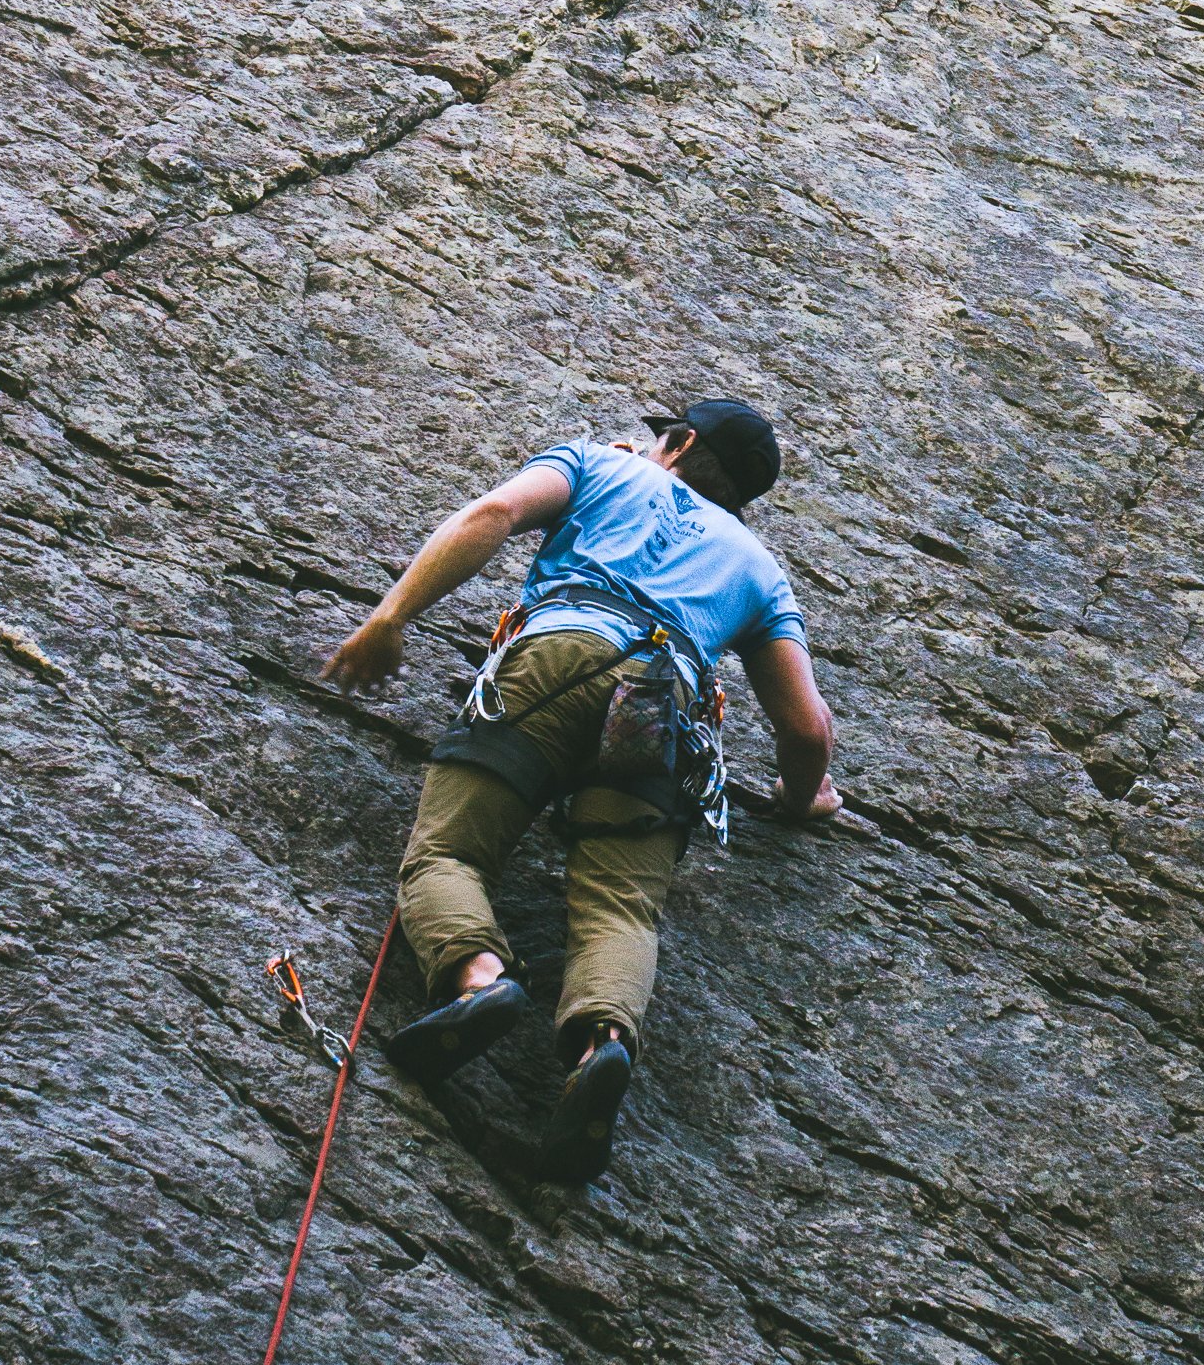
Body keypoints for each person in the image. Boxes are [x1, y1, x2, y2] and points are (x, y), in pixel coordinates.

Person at [321, 397, 837, 1180]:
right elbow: (805, 731)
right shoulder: (763, 572)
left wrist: (392, 617)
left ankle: (479, 981)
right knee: (622, 905)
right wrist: (804, 799)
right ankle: (604, 1046)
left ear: (680, 442)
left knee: (448, 854)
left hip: (562, 654)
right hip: (667, 711)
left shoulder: (597, 464)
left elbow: (491, 514)